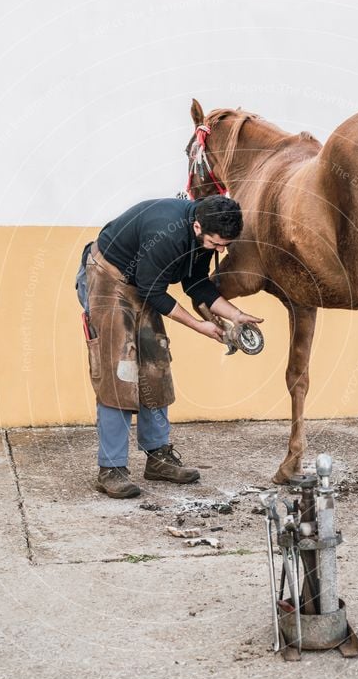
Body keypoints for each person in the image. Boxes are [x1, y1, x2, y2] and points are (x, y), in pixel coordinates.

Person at [75, 195, 263, 499]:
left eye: (224, 246)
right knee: (120, 372)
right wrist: (199, 326)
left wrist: (236, 315)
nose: (219, 250)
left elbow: (196, 284)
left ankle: (158, 457)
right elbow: (153, 290)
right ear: (198, 226)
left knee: (155, 366)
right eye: (216, 244)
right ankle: (111, 469)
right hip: (110, 278)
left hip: (144, 283)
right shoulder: (166, 233)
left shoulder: (204, 234)